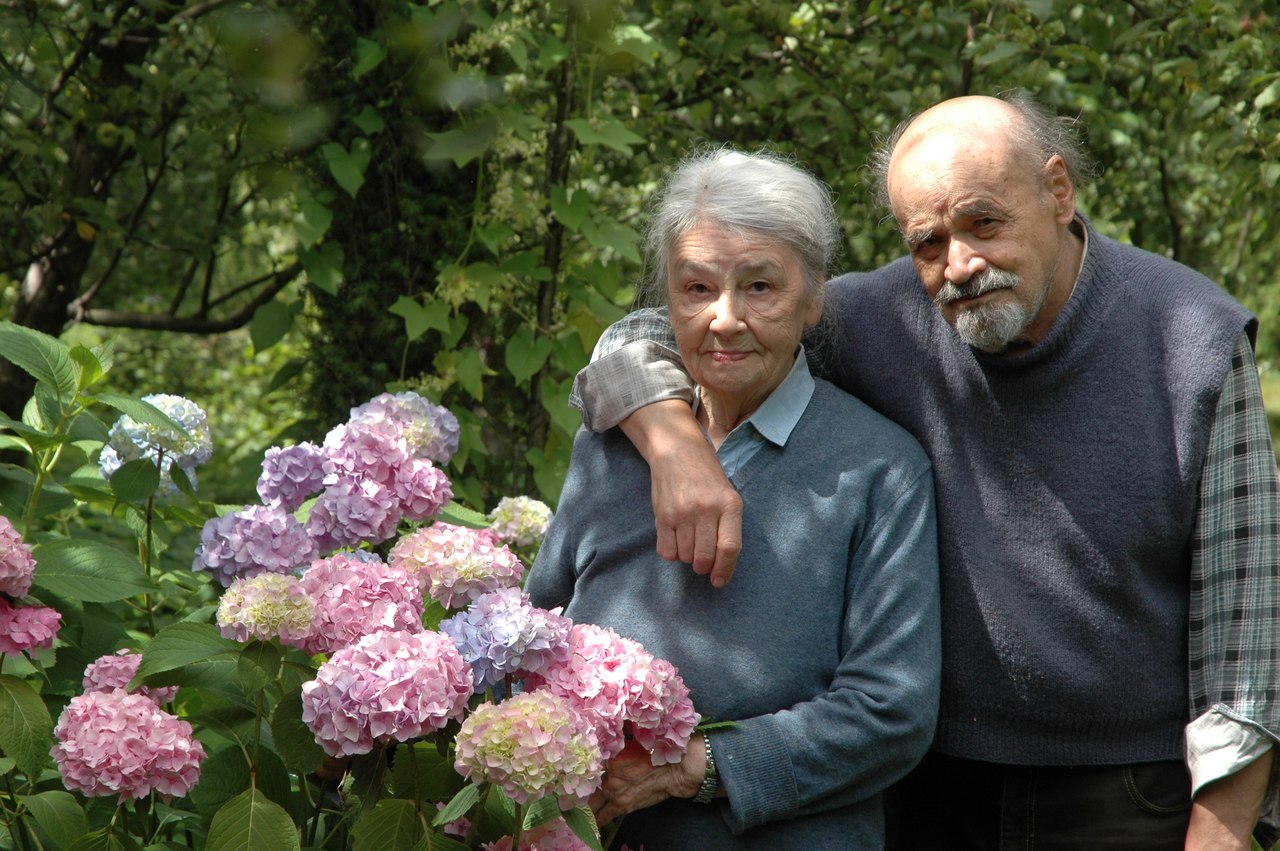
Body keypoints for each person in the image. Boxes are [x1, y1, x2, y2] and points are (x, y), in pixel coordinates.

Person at [568, 92, 1280, 850]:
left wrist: (1224, 826)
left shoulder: (1190, 337)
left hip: (1130, 789)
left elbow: (1247, 628)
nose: (959, 265)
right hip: (927, 788)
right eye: (927, 241)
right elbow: (662, 330)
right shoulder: (876, 317)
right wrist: (674, 438)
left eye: (984, 223)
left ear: (1058, 192)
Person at [525, 148, 941, 849]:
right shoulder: (613, 445)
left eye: (759, 287)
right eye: (696, 288)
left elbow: (891, 712)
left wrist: (695, 766)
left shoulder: (880, 469)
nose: (723, 319)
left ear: (813, 298)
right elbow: (536, 627)